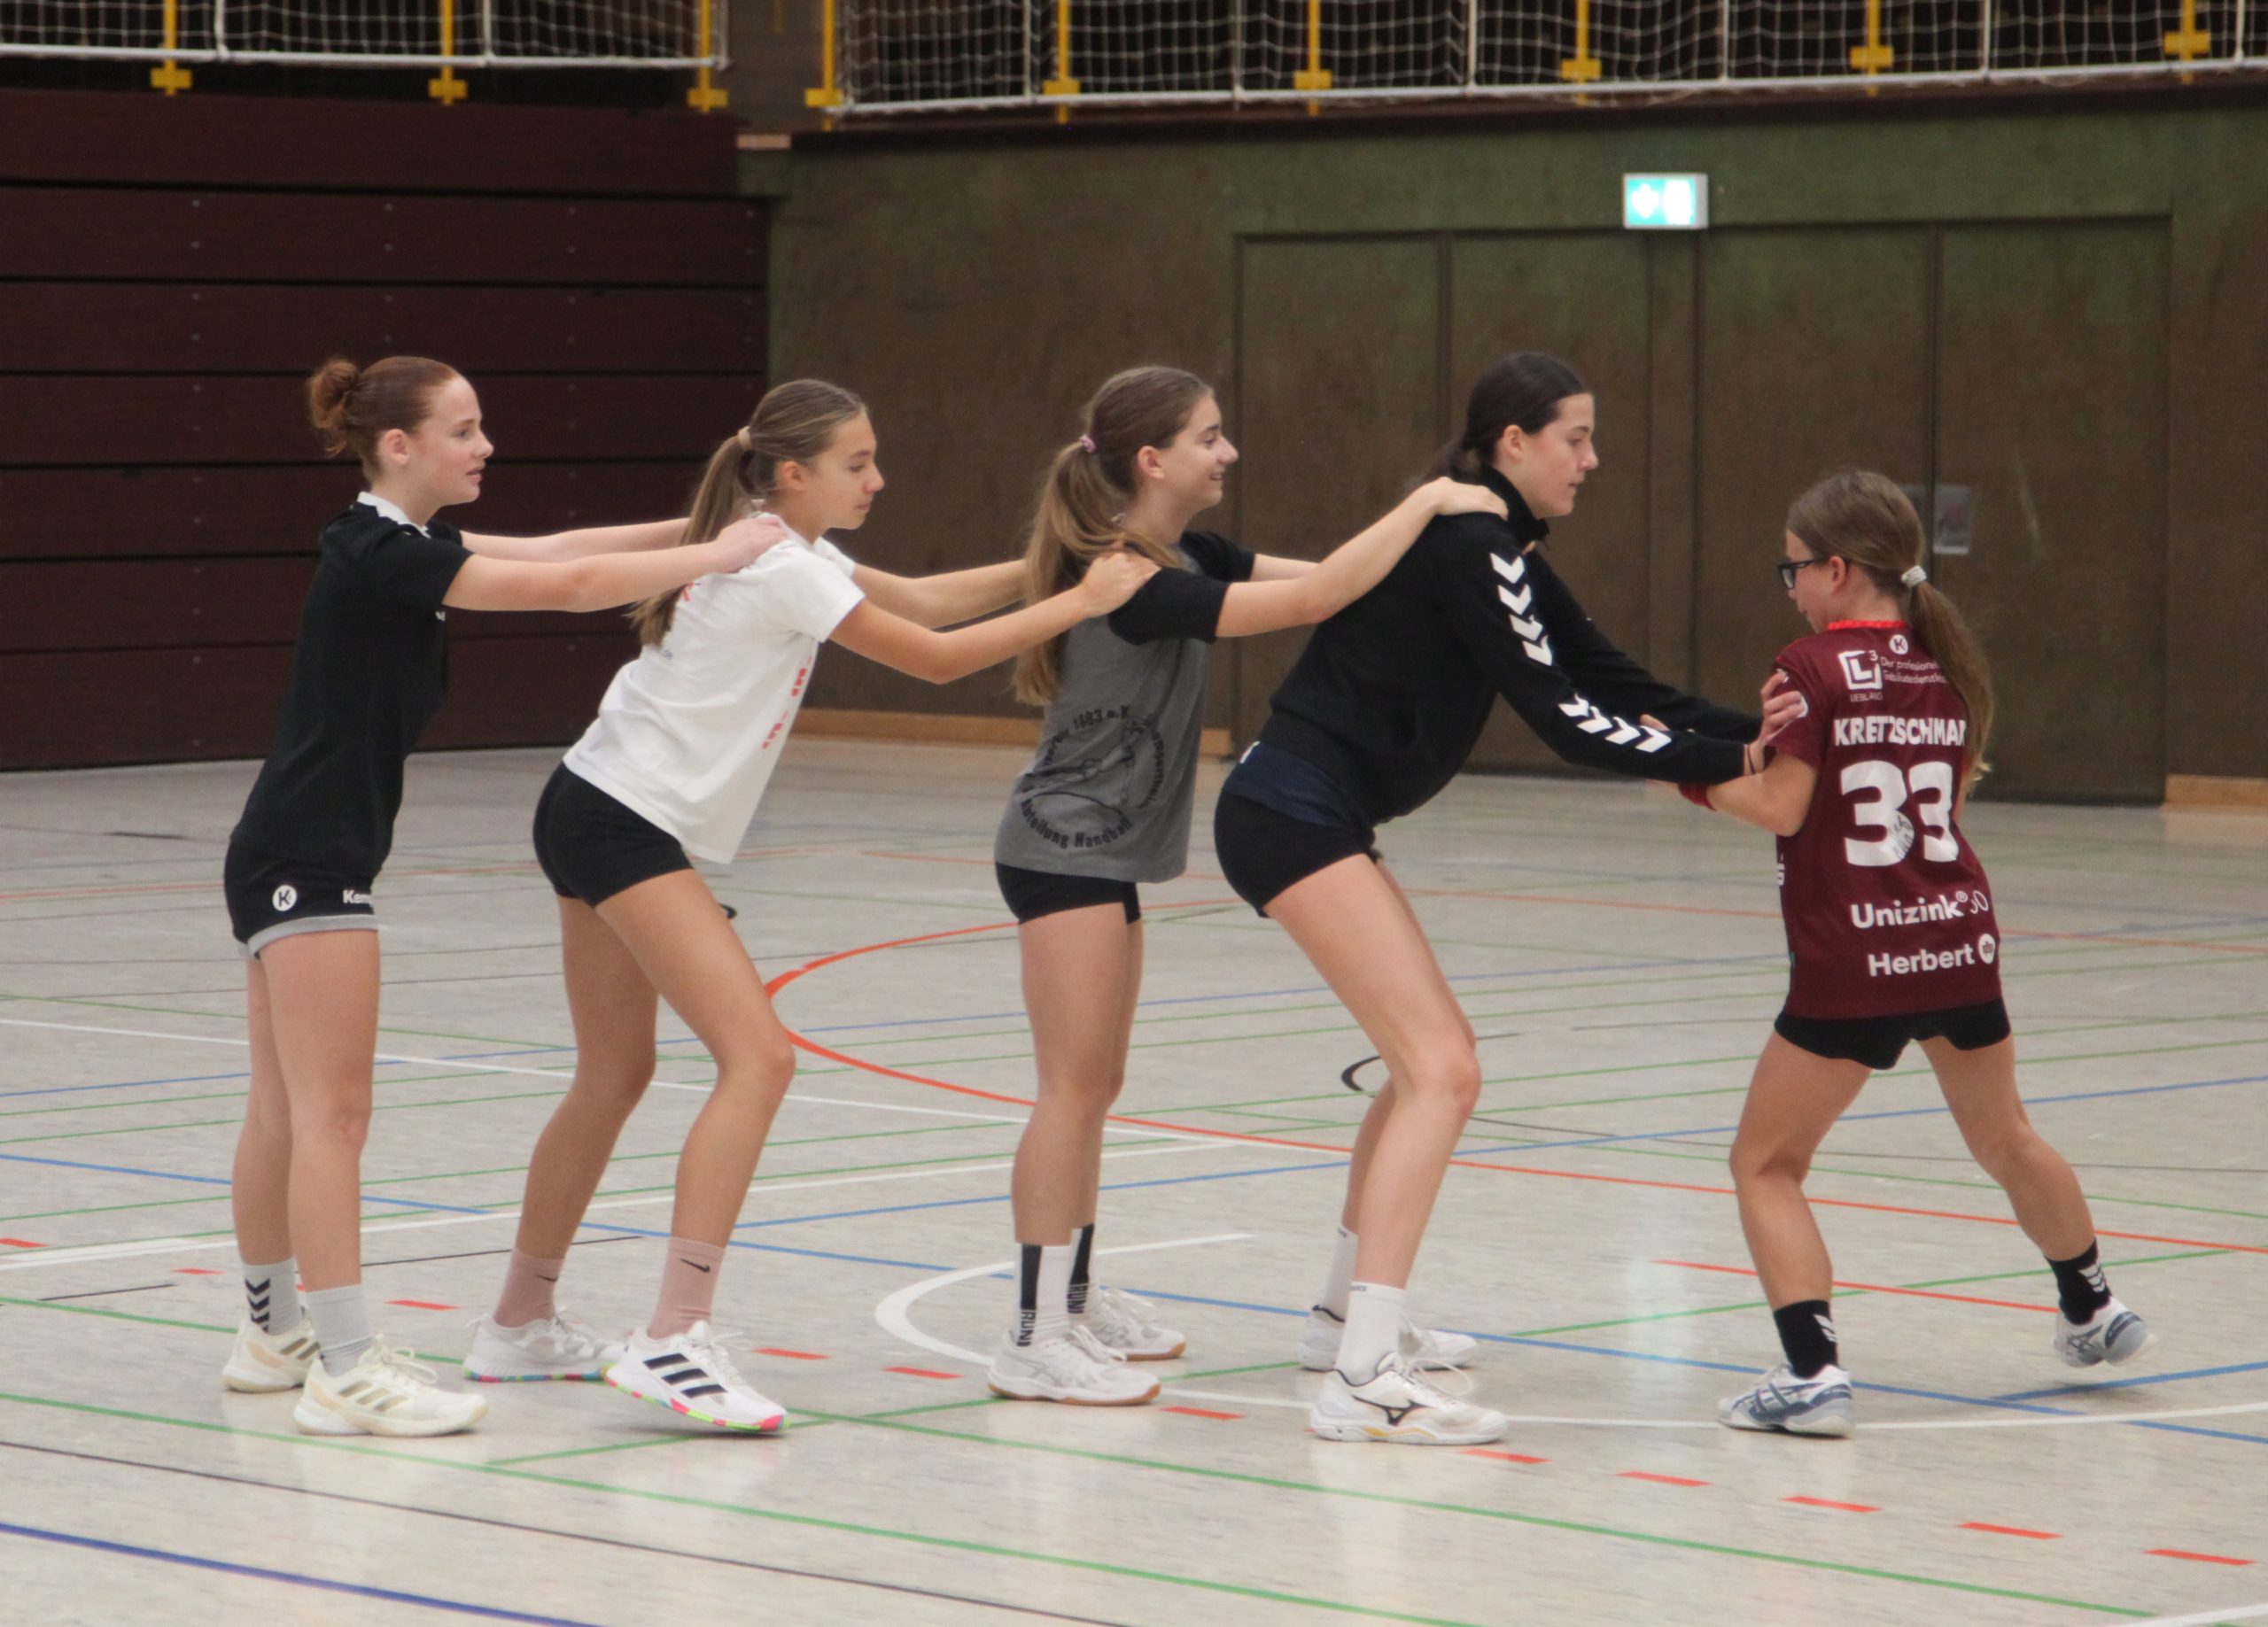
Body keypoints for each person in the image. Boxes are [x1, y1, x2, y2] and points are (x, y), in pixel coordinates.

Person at [464, 379, 1153, 1431]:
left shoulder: (784, 543)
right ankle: (674, 1334)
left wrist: (1059, 560)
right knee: (760, 1059)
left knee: (613, 1072)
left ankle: (518, 1320)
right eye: (857, 462)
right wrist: (1081, 601)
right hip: (619, 820)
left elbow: (923, 599)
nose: (877, 479)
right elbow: (931, 657)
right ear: (793, 473)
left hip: (589, 801)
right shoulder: (779, 562)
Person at [1211, 351, 1800, 1445]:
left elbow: (1613, 680)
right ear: (1511, 442)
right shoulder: (1470, 544)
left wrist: (1770, 735)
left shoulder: (1503, 549)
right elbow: (1568, 719)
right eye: (1574, 437)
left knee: (1420, 1069)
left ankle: (1341, 1321)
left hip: (1310, 813)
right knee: (1444, 1069)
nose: (1592, 459)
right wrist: (1732, 768)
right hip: (1289, 811)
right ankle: (1363, 1375)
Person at [222, 355, 786, 1437]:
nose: (485, 447)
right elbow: (570, 588)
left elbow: (564, 550)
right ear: (398, 446)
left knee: (285, 1110)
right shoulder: (382, 551)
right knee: (332, 1114)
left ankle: (272, 1335)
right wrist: (721, 554)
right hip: (308, 855)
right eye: (464, 429)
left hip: (287, 848)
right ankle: (345, 1366)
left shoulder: (400, 541)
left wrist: (710, 522)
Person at [985, 365, 1510, 1406]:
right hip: (1060, 847)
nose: (1227, 452)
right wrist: (1427, 502)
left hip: (1108, 854)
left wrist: (1452, 575)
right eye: (1209, 436)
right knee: (1069, 1090)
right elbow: (1314, 599)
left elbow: (1340, 579)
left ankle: (1073, 1297)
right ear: (1152, 460)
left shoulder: (1191, 555)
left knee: (1096, 1086)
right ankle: (1032, 1333)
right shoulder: (1130, 580)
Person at [1680, 469, 2152, 1437]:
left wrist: (1688, 772)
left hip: (1854, 957)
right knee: (2007, 1135)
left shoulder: (1809, 664)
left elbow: (1782, 806)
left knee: (1765, 1162)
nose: (1791, 590)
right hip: (1957, 937)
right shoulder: (1946, 664)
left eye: (1793, 569)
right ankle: (2093, 1304)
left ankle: (1811, 1373)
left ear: (1838, 570)